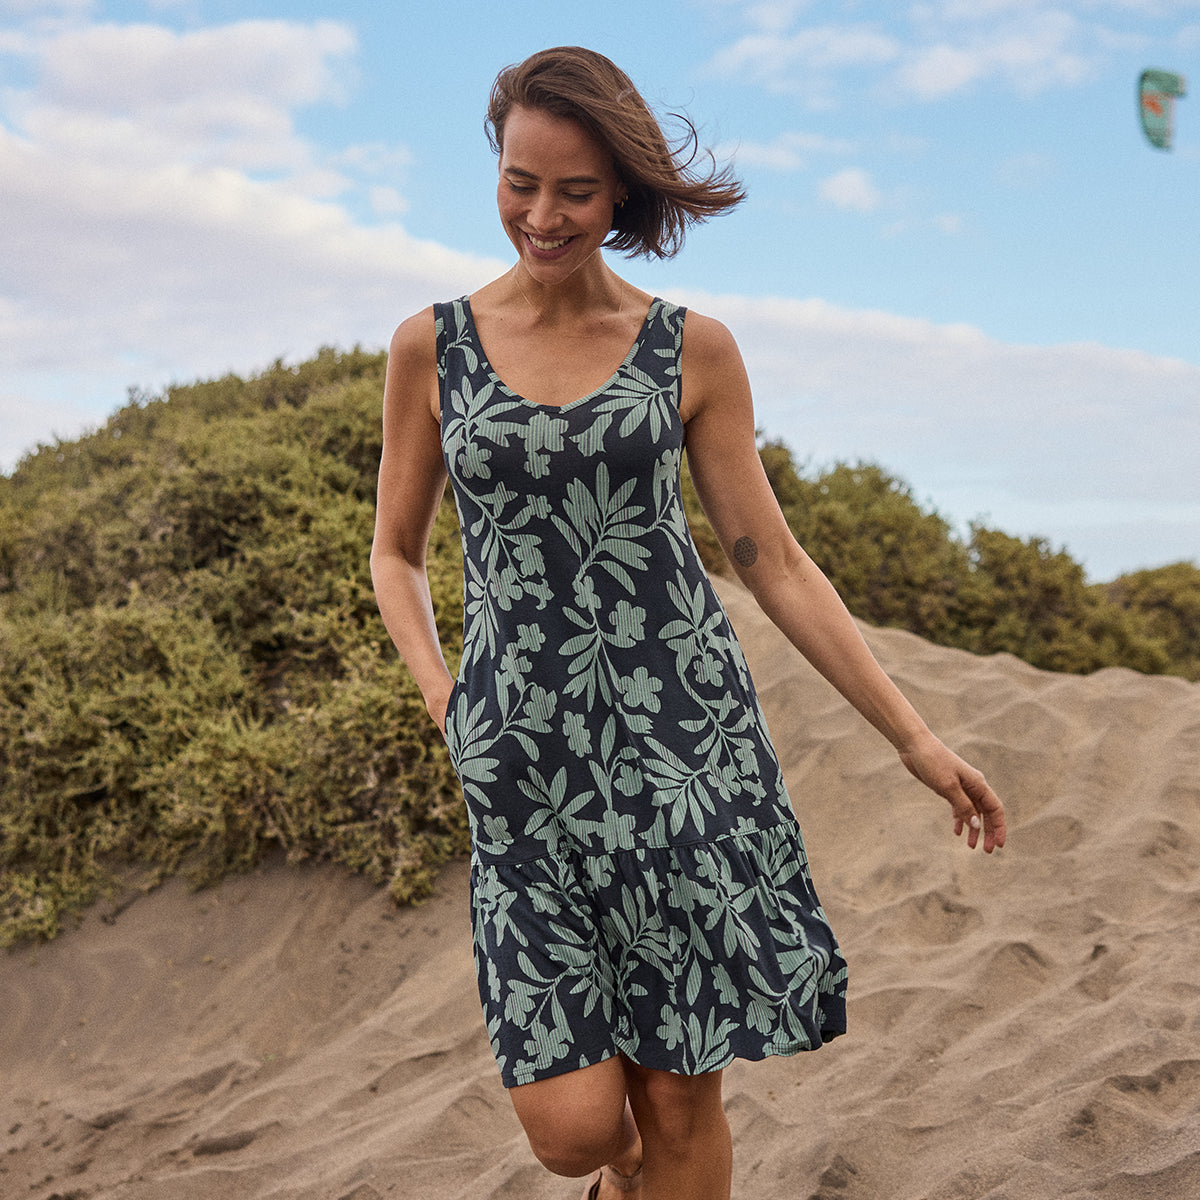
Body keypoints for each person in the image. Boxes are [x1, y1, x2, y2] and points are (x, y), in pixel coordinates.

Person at [370, 45, 1006, 1200]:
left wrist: (916, 739)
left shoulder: (688, 348)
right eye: (520, 182)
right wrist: (442, 694)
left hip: (681, 753)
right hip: (522, 764)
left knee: (677, 1093)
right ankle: (619, 1177)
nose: (542, 216)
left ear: (621, 192)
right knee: (573, 1130)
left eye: (575, 191)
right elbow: (395, 554)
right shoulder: (433, 346)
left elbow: (776, 565)